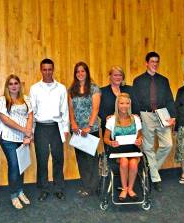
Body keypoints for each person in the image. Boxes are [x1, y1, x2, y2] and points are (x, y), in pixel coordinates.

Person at [132, 52, 176, 192]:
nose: (155, 64)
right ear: (146, 63)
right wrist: (138, 116)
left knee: (167, 144)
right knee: (148, 147)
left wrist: (173, 115)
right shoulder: (138, 80)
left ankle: (151, 169)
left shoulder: (164, 80)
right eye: (152, 61)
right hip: (146, 115)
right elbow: (136, 100)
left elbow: (169, 98)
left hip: (162, 114)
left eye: (157, 61)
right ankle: (156, 178)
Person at [29, 58, 69, 201]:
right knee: (42, 159)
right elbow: (32, 112)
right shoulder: (34, 88)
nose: (47, 72)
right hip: (40, 127)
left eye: (49, 69)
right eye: (44, 69)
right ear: (41, 70)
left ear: (53, 70)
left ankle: (58, 188)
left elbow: (65, 110)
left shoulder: (61, 88)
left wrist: (66, 129)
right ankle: (44, 188)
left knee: (58, 158)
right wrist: (32, 131)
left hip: (56, 126)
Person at [0, 75, 33, 209]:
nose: (13, 86)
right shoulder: (2, 100)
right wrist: (24, 129)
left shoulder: (26, 99)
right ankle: (13, 195)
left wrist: (28, 133)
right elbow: (4, 119)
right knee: (14, 165)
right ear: (7, 86)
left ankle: (20, 191)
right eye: (11, 84)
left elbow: (30, 116)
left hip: (23, 138)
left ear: (19, 85)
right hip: (8, 138)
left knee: (21, 164)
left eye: (16, 83)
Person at [68, 62, 101, 197]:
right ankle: (86, 186)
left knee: (91, 159)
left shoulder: (94, 88)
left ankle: (95, 186)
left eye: (82, 71)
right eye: (77, 72)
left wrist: (89, 126)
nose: (80, 74)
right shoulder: (71, 90)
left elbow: (95, 108)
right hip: (77, 130)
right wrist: (73, 123)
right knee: (81, 159)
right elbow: (70, 109)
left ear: (87, 72)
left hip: (90, 129)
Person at [104, 93, 142, 202]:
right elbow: (106, 138)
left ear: (130, 105)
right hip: (118, 150)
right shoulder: (111, 120)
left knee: (133, 163)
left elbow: (140, 135)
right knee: (124, 162)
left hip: (133, 149)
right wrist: (111, 143)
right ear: (117, 105)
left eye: (127, 103)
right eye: (121, 103)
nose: (124, 106)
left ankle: (130, 189)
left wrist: (140, 140)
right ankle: (124, 189)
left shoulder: (135, 119)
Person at [99, 66, 134, 135]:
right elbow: (98, 108)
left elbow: (135, 105)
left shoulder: (130, 89)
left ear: (123, 77)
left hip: (128, 126)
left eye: (120, 75)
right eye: (115, 75)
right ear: (110, 76)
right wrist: (105, 117)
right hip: (109, 126)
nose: (118, 77)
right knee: (111, 145)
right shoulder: (102, 91)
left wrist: (135, 115)